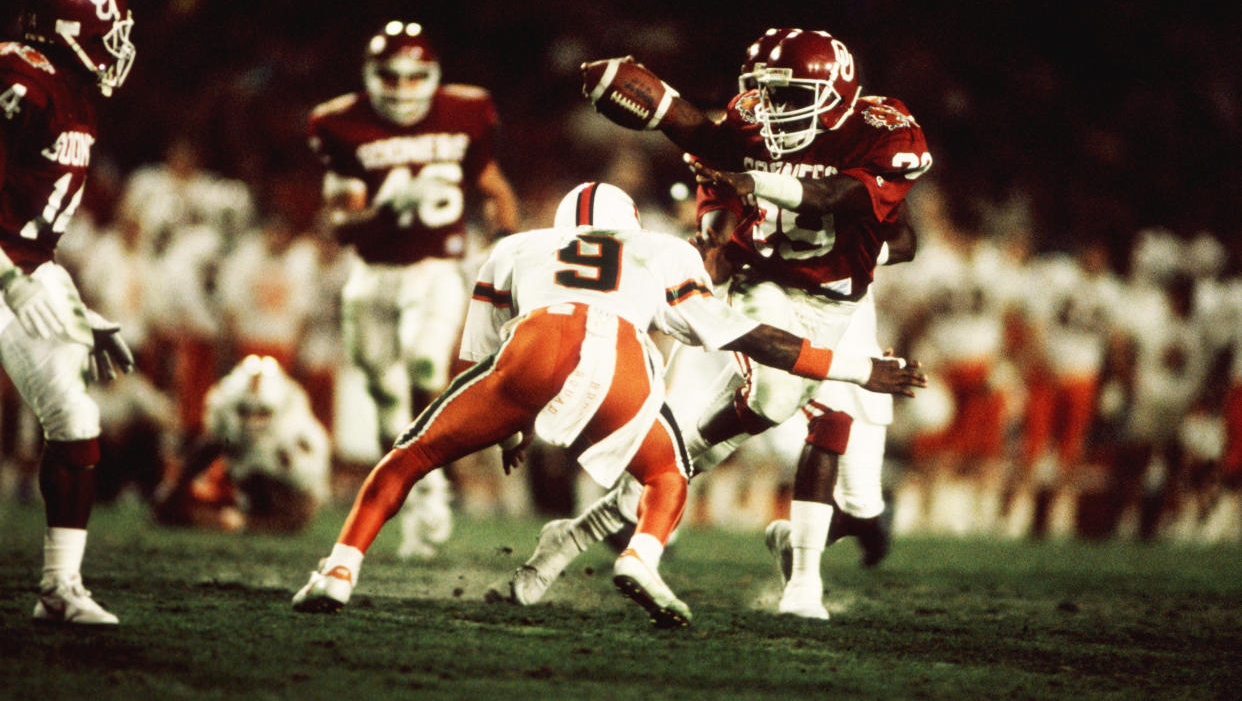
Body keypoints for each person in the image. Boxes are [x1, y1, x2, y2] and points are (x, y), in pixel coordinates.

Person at [291, 182, 924, 628]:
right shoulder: (662, 250)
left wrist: (511, 429)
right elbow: (747, 334)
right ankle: (641, 556)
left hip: (532, 346)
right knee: (666, 472)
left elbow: (475, 361)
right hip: (617, 354)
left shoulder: (516, 249)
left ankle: (338, 572)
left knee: (409, 456)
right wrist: (861, 368)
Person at [510, 28, 931, 620]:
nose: (772, 109)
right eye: (767, 93)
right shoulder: (749, 123)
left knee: (746, 447)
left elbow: (853, 202)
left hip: (843, 300)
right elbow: (717, 175)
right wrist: (708, 213)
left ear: (834, 93)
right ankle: (804, 587)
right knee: (797, 401)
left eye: (789, 96)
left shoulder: (883, 130)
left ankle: (581, 531)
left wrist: (762, 187)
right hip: (765, 284)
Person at [307, 20, 520, 559]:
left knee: (426, 363)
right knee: (382, 395)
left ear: (433, 75)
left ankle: (437, 494)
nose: (402, 89)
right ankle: (418, 491)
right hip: (372, 273)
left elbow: (494, 187)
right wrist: (391, 208)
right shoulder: (340, 122)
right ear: (370, 76)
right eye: (390, 77)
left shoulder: (466, 112)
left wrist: (506, 244)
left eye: (413, 77)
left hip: (435, 268)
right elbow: (340, 226)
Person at [0, 0, 137, 624]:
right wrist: (9, 279)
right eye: (106, 30)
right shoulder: (18, 81)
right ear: (67, 27)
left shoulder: (72, 90)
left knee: (76, 418)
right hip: (5, 272)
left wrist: (76, 305)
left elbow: (34, 229)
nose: (116, 45)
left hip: (26, 268)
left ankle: (60, 588)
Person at [153, 354, 331, 533]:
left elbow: (301, 507)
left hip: (282, 496)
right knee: (174, 504)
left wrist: (250, 522)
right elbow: (209, 446)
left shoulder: (294, 435)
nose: (252, 422)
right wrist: (175, 489)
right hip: (243, 485)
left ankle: (243, 516)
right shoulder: (226, 419)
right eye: (244, 411)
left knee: (254, 489)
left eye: (263, 413)